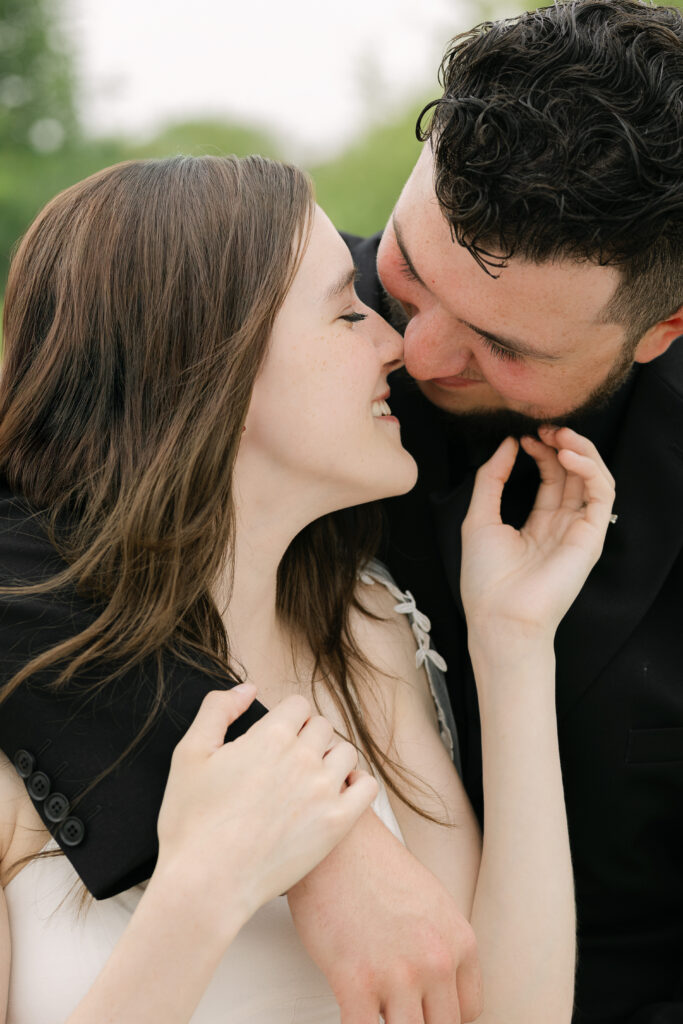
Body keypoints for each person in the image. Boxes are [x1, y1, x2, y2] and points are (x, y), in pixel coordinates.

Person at [0, 155, 616, 1023]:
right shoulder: (16, 713)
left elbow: (510, 1014)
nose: (395, 344)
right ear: (210, 367)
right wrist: (205, 891)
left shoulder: (365, 629)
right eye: (344, 311)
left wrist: (513, 640)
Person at [343, 1, 683, 1021]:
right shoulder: (260, 329)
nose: (421, 353)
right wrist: (327, 847)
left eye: (506, 346)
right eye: (409, 267)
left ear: (660, 330)